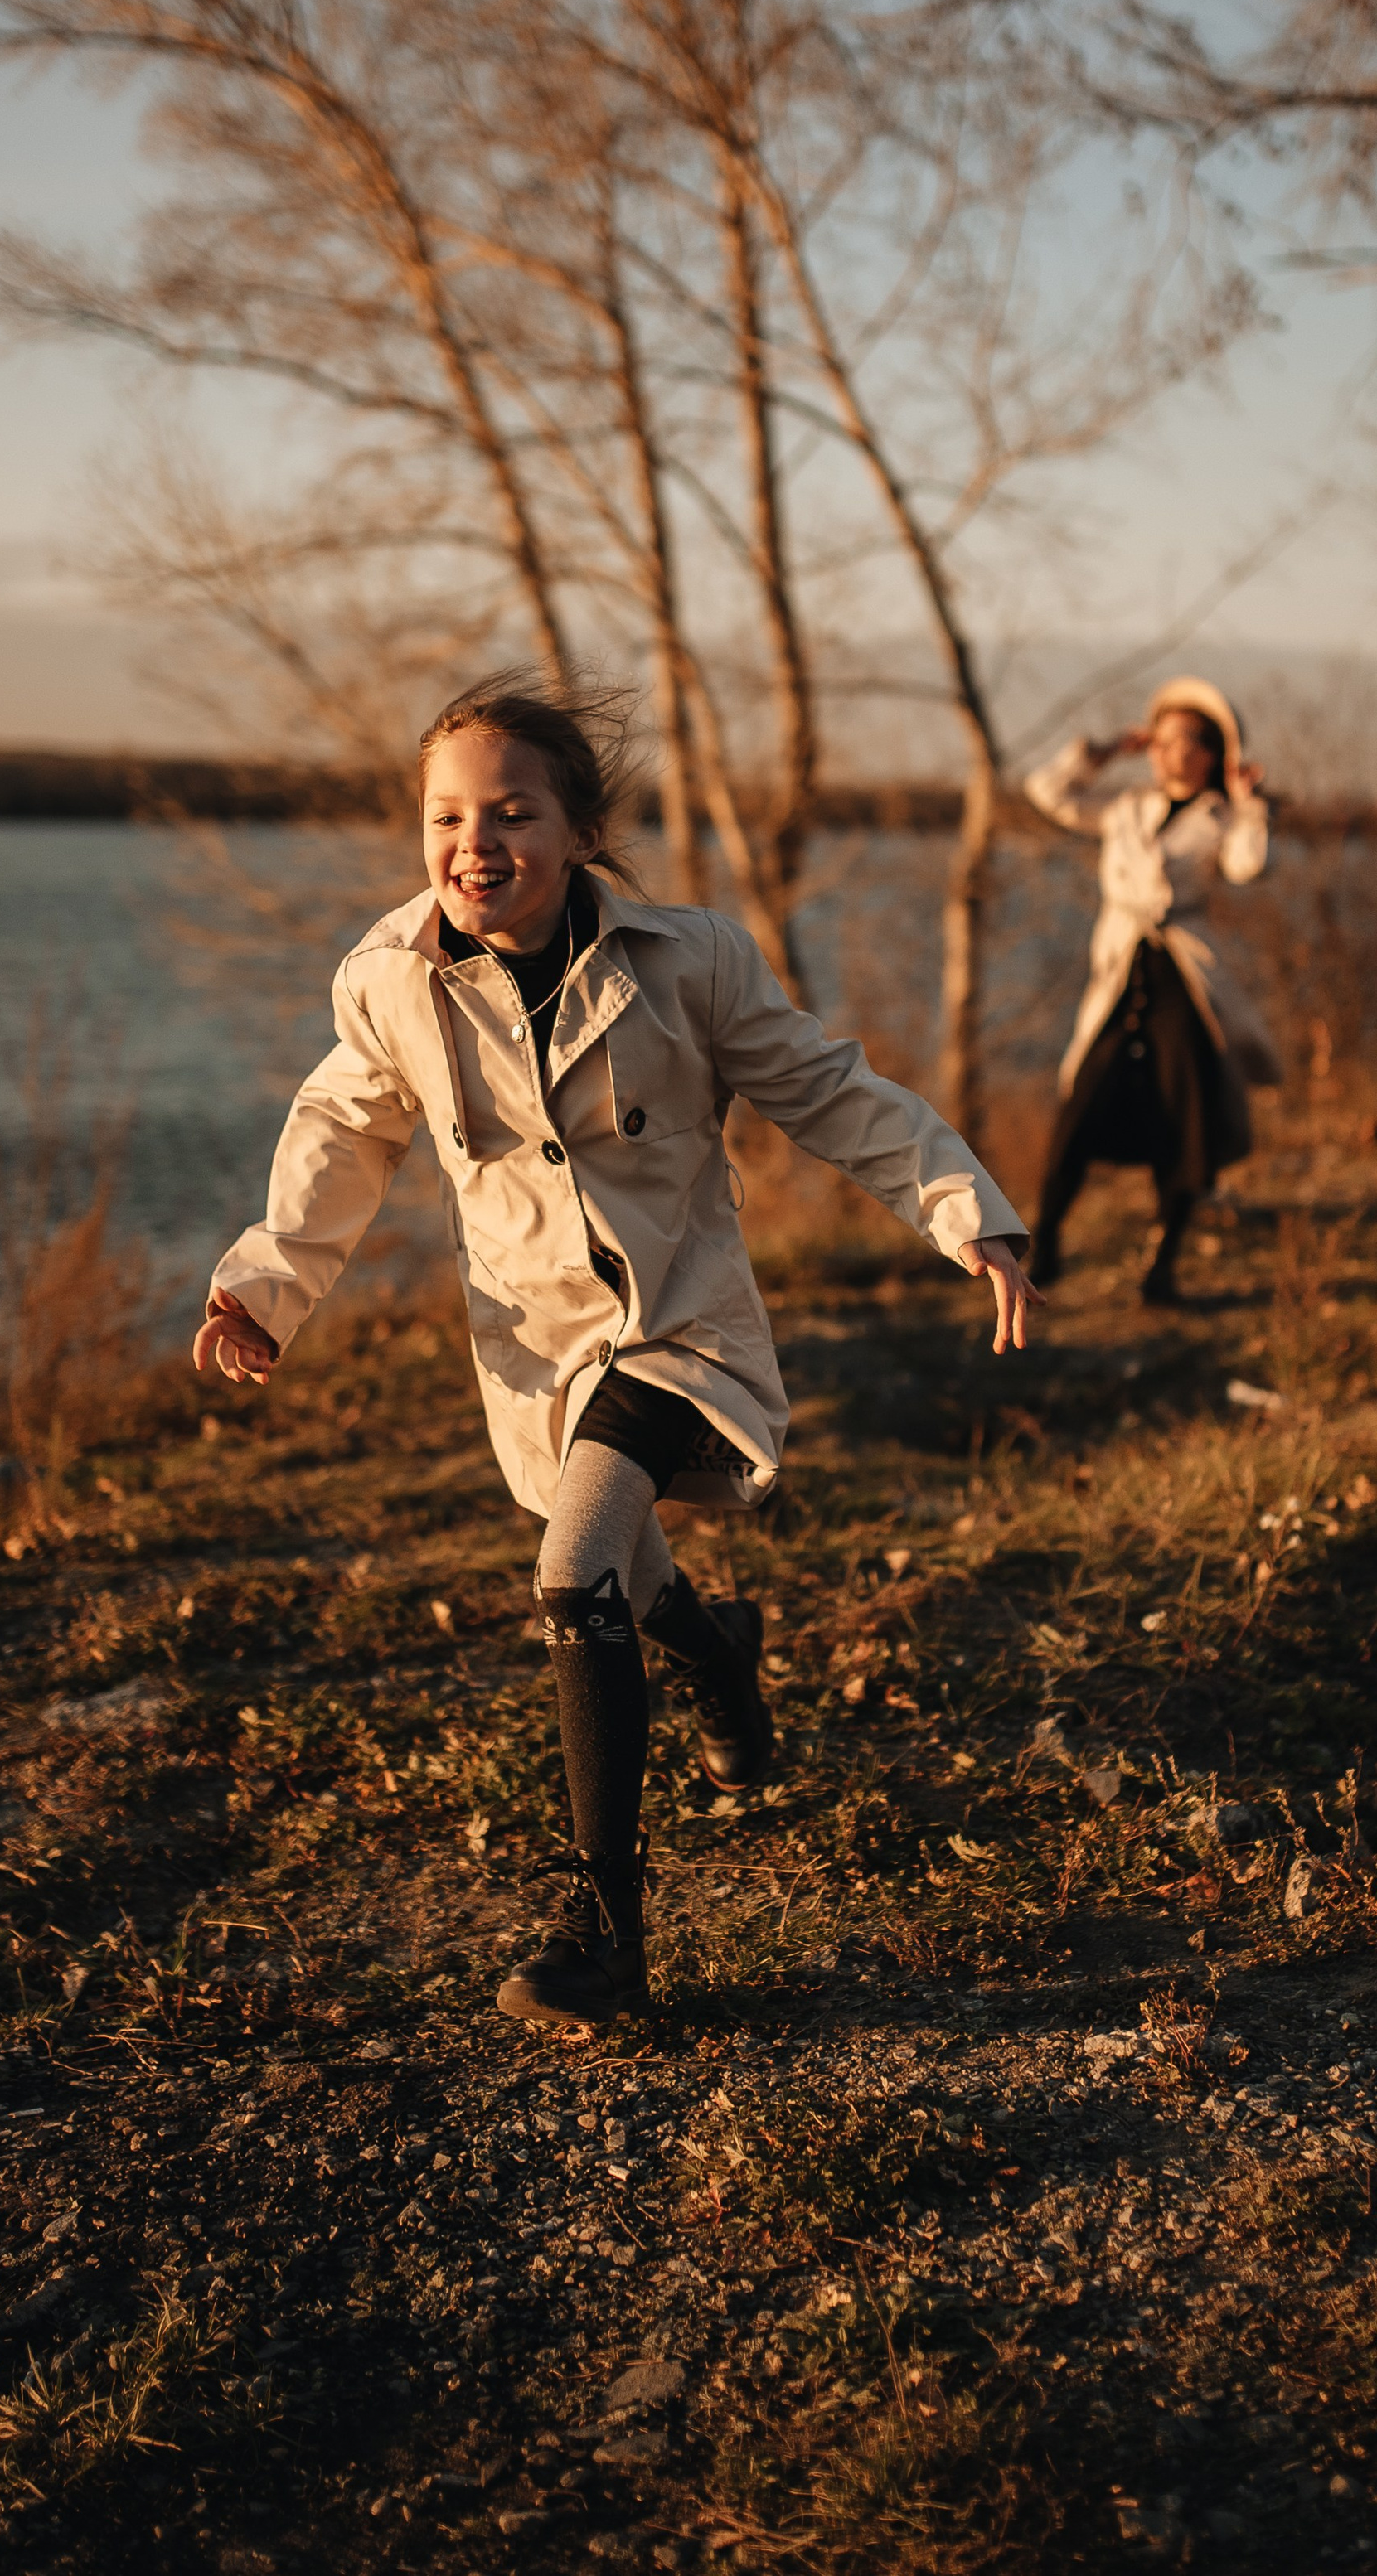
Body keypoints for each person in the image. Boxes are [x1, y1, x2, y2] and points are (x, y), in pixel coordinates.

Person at [193, 671, 1036, 2032]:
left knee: (572, 1576)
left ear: (577, 828)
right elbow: (340, 1141)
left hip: (679, 1331)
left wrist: (965, 1213)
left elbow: (825, 1089)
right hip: (535, 1356)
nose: (477, 845)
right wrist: (264, 1288)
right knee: (632, 1584)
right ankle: (718, 1654)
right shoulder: (390, 983)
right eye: (448, 817)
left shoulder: (689, 958)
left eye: (513, 813)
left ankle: (605, 1927)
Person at [1024, 675, 1276, 1305]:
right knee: (1080, 1099)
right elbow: (1046, 791)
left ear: (1212, 752)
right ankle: (1045, 1243)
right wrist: (1103, 751)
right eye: (1158, 740)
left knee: (1184, 1116)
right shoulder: (1125, 805)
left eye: (1182, 741)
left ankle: (1163, 1265)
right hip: (1120, 968)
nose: (1166, 752)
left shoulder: (1221, 818)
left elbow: (1250, 866)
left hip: (1181, 980)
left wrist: (1250, 806)